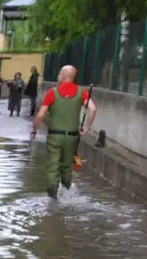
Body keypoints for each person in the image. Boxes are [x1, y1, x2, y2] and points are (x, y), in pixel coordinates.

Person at [30, 65, 98, 198]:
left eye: (59, 73)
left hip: (55, 136)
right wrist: (86, 127)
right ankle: (67, 194)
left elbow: (40, 115)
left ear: (62, 75)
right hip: (72, 137)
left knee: (53, 166)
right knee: (67, 166)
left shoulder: (52, 93)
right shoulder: (81, 92)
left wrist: (34, 130)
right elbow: (93, 109)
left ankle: (52, 197)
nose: (58, 76)